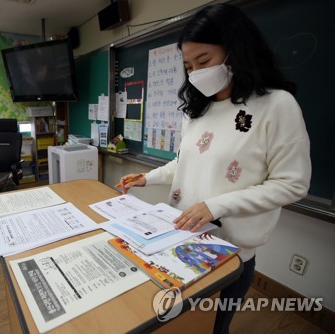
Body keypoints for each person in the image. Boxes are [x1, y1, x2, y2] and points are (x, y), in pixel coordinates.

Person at [118, 4, 311, 334]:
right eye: (188, 65)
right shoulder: (197, 110)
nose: (195, 72)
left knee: (211, 328)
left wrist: (215, 207)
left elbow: (292, 184)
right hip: (178, 239)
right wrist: (147, 178)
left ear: (236, 49)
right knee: (172, 323)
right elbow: (186, 163)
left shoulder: (277, 105)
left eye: (204, 61)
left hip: (228, 250)